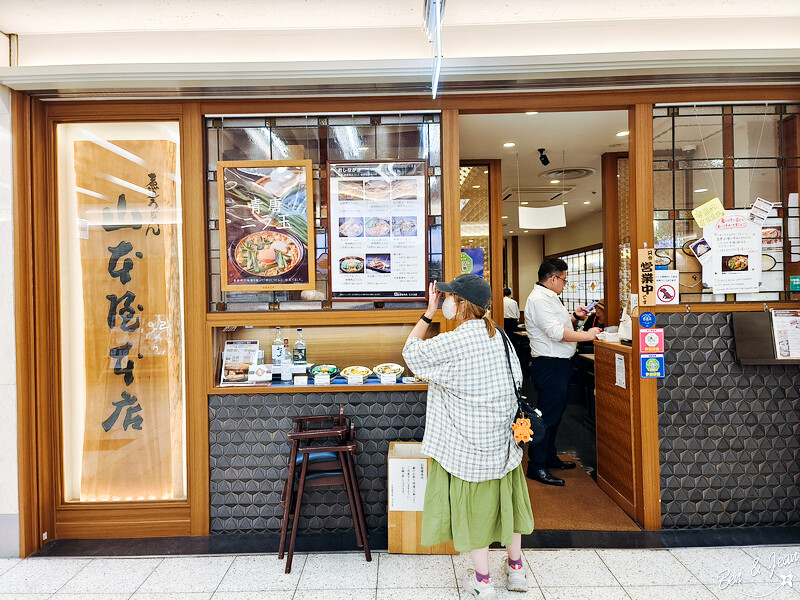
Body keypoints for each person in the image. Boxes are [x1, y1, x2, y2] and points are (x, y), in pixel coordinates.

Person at [403, 274, 534, 599]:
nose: (446, 301)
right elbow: (516, 381)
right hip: (503, 444)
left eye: (448, 298)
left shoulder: (456, 340)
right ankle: (516, 570)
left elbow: (411, 352)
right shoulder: (500, 337)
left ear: (460, 304)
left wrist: (428, 312)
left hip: (467, 447)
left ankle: (483, 581)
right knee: (509, 508)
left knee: (475, 511)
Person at [524, 258, 601, 486]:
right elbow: (556, 332)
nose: (565, 284)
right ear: (553, 278)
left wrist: (575, 317)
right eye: (564, 280)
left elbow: (560, 323)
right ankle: (536, 466)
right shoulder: (539, 299)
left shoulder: (549, 297)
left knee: (555, 416)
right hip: (550, 364)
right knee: (547, 417)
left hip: (559, 363)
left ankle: (548, 456)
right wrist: (587, 335)